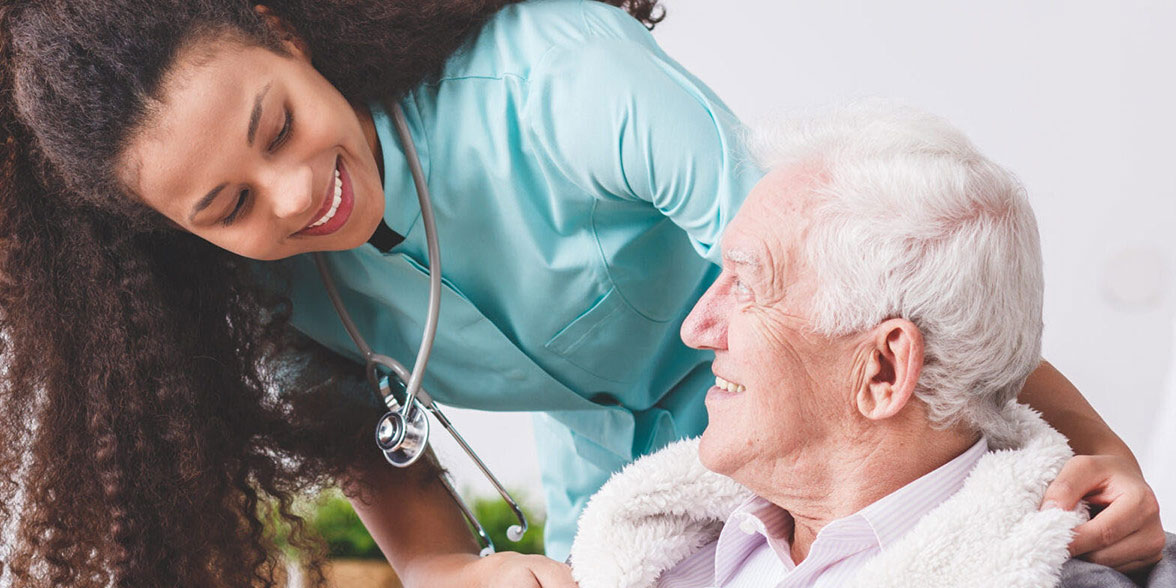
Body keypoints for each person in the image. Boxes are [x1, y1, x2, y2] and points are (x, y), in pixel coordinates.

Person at [0, 1, 1161, 586]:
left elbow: (870, 280)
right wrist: (455, 570)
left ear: (279, 30)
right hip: (624, 493)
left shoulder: (561, 77)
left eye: (278, 127)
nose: (297, 195)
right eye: (227, 208)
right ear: (177, 234)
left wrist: (1100, 453)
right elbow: (391, 478)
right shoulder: (284, 302)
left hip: (824, 411)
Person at [570, 103, 1175, 588]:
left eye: (748, 283)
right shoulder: (642, 550)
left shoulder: (1073, 575)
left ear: (883, 370)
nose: (697, 328)